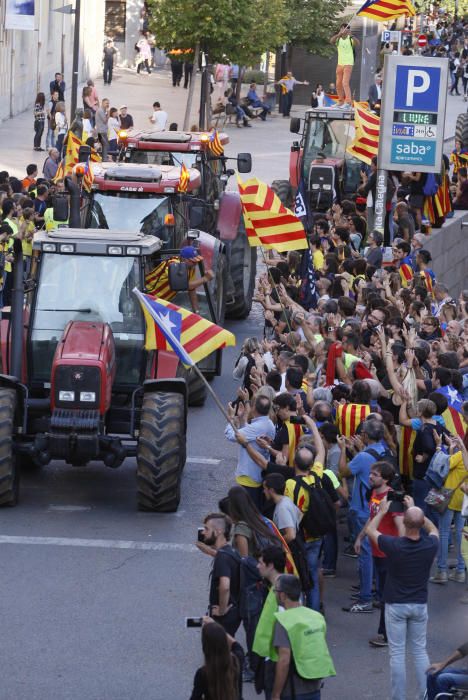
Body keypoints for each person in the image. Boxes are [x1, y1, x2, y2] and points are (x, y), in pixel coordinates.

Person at [367, 496, 439, 700]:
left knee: (397, 654)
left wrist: (381, 512)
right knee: (419, 651)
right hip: (419, 604)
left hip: (396, 605)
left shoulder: (394, 545)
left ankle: (398, 697)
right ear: (420, 522)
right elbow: (434, 530)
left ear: (404, 523)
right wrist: (416, 509)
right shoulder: (430, 545)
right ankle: (426, 694)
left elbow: (371, 531)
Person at [339, 419, 389, 613]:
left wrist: (344, 449)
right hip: (380, 507)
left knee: (365, 554)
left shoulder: (362, 457)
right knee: (376, 552)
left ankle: (365, 597)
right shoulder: (386, 450)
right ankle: (375, 591)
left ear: (366, 436)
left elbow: (343, 470)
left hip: (363, 510)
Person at [354, 461, 405, 647]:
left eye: (374, 475)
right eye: (370, 474)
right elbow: (371, 517)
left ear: (385, 478)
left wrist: (402, 551)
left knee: (387, 596)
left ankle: (385, 635)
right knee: (384, 595)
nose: (370, 477)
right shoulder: (375, 494)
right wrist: (360, 537)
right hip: (377, 552)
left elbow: (401, 526)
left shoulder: (393, 499)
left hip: (389, 554)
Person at [271, 574, 336, 700]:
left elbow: (284, 660)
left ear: (283, 595)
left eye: (275, 591)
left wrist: (276, 693)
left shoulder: (283, 620)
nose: (275, 594)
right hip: (315, 684)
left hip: (294, 689)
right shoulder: (316, 616)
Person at [225, 395, 275, 508]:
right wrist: (243, 419)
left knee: (246, 511)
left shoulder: (258, 427)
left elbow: (232, 435)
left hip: (249, 476)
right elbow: (248, 433)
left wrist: (231, 418)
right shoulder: (268, 424)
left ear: (254, 409)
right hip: (258, 473)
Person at [199, 512, 241, 636]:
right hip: (233, 612)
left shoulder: (222, 556)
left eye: (206, 529)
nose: (203, 532)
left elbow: (225, 586)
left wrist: (222, 610)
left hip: (224, 616)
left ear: (218, 531)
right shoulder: (230, 551)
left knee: (219, 652)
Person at [190, 619, 243, 700]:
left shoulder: (202, 674)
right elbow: (236, 645)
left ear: (205, 647)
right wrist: (215, 625)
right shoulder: (236, 660)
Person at [329, 23, 360, 109]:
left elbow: (358, 43)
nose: (344, 30)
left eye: (346, 29)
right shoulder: (338, 39)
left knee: (345, 83)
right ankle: (340, 101)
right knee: (338, 83)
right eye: (343, 28)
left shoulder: (350, 39)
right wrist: (338, 34)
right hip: (340, 63)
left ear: (348, 30)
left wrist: (352, 35)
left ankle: (348, 102)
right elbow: (331, 41)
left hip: (348, 63)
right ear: (341, 29)